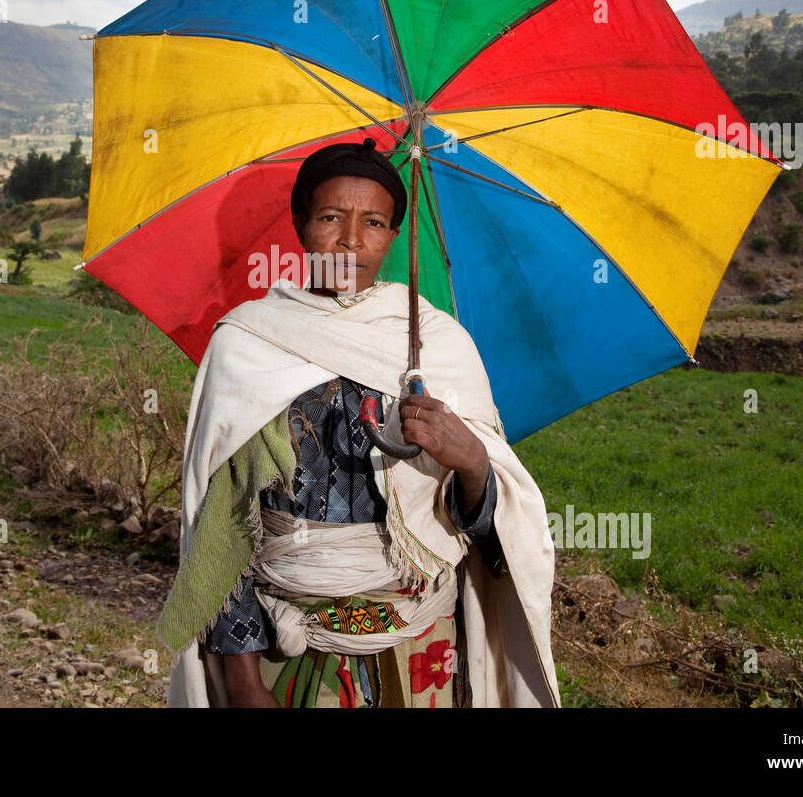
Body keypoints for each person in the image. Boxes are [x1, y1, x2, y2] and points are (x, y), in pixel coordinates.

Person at [157, 137, 559, 707]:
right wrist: (243, 681)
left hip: (423, 650)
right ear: (299, 226)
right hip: (288, 648)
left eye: (373, 221)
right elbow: (220, 524)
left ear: (395, 235)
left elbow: (492, 538)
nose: (351, 239)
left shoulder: (439, 347)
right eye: (330, 218)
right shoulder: (249, 342)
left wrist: (471, 461)